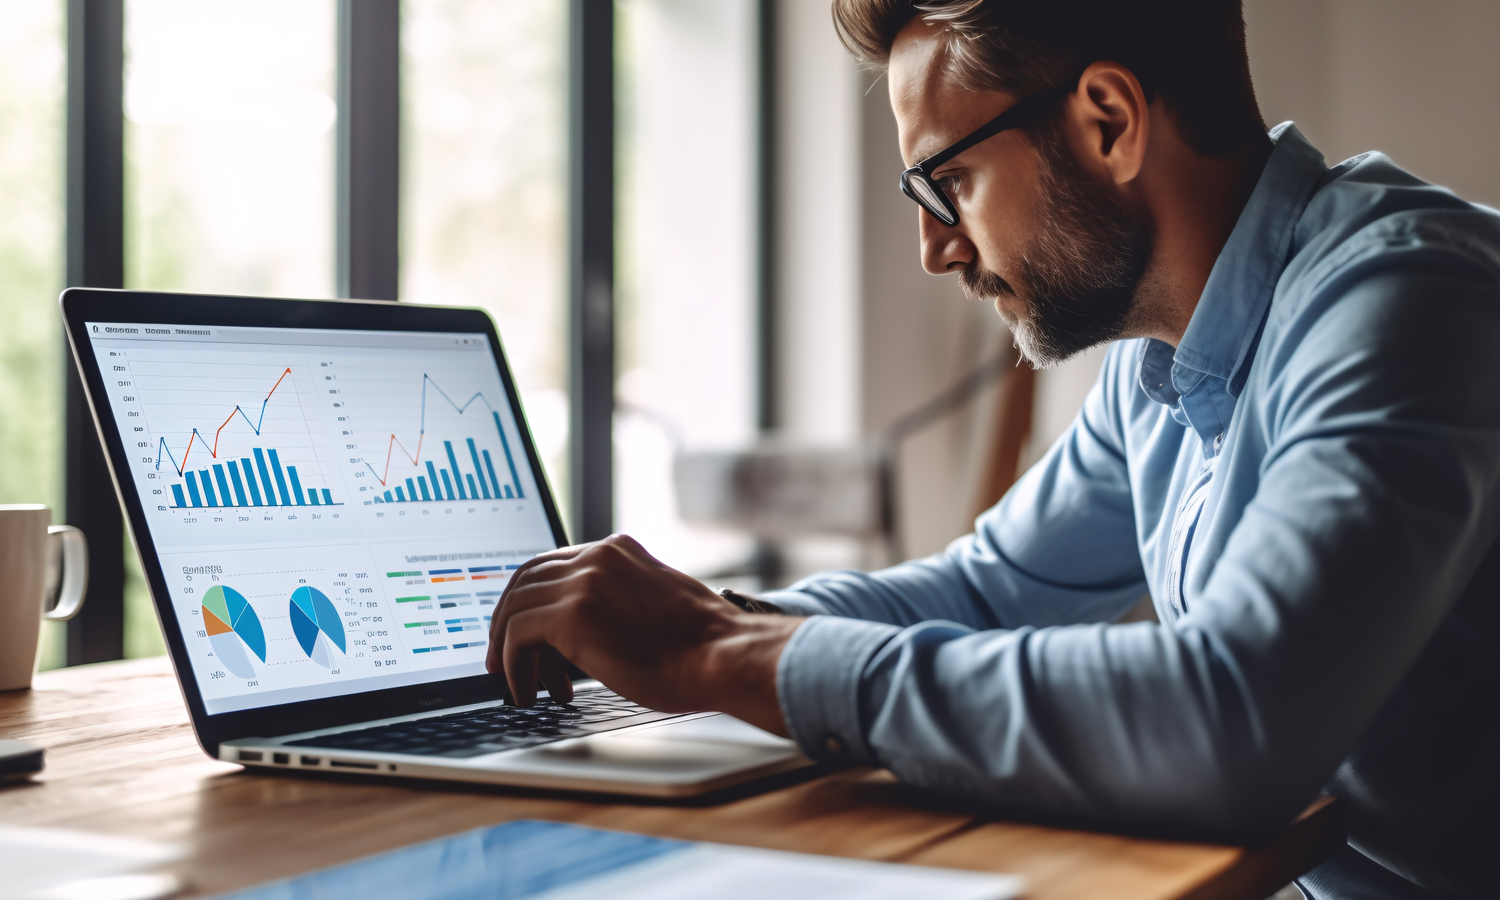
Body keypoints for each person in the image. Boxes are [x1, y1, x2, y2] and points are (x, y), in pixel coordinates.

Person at [486, 2, 1499, 897]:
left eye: (950, 180)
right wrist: (699, 622)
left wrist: (719, 653)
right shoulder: (1162, 367)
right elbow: (983, 591)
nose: (938, 248)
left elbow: (1231, 723)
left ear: (1110, 120)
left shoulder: (1408, 302)